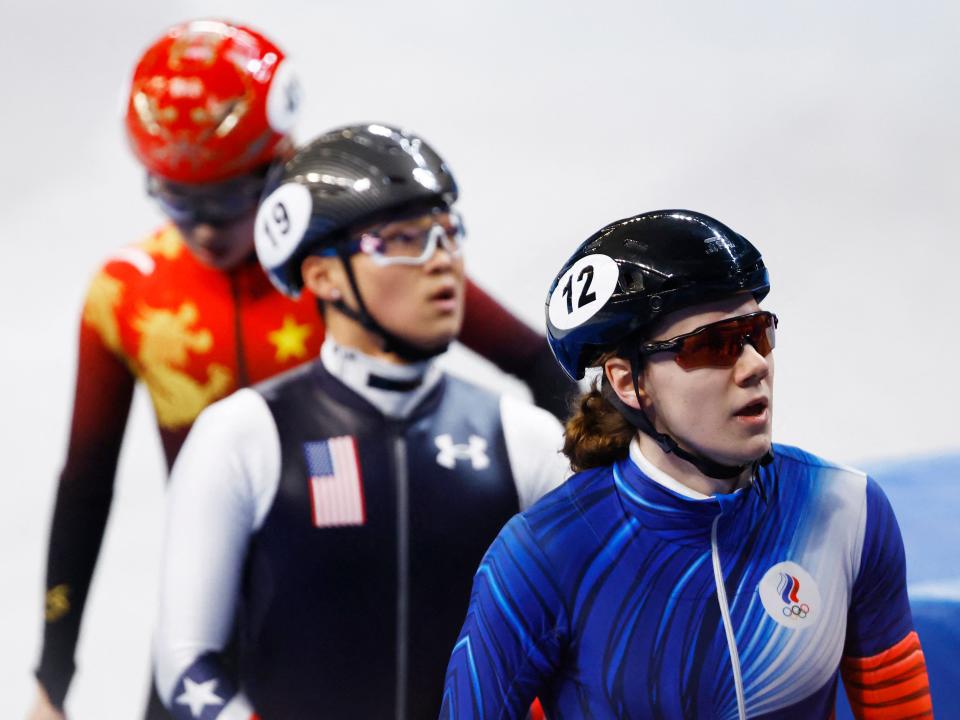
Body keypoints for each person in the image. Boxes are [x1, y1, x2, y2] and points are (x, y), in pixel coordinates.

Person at [30, 19, 573, 720]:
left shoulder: (358, 268)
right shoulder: (123, 295)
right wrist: (53, 674)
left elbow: (543, 367)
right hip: (215, 614)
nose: (202, 228)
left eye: (226, 198)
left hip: (351, 610)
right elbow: (85, 490)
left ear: (278, 162)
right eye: (174, 198)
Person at [440, 209, 934, 719]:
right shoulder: (541, 557)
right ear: (630, 382)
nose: (754, 365)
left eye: (757, 333)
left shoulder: (845, 509)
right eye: (713, 346)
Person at [152, 124, 570, 719]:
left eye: (448, 236)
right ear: (321, 276)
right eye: (404, 239)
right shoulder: (242, 435)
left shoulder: (524, 438)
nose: (442, 263)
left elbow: (598, 648)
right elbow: (187, 661)